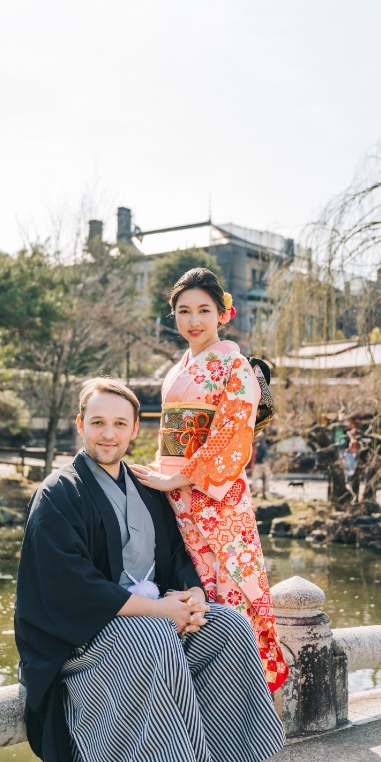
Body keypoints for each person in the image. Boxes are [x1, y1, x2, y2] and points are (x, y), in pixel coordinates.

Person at [15, 377, 286, 762]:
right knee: (152, 637)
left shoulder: (146, 486)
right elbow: (73, 588)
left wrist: (193, 597)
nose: (108, 434)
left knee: (228, 627)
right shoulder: (58, 494)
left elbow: (177, 559)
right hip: (83, 641)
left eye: (120, 423)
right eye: (97, 422)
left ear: (135, 429)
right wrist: (160, 611)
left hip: (152, 617)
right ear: (80, 425)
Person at [130, 269, 288, 693]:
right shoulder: (178, 368)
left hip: (217, 496)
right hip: (176, 491)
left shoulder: (235, 365)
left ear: (223, 313)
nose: (193, 320)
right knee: (191, 584)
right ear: (174, 316)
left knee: (228, 585)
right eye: (183, 311)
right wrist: (159, 476)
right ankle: (202, 691)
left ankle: (242, 692)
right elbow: (171, 438)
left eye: (203, 310)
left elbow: (232, 435)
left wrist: (177, 477)